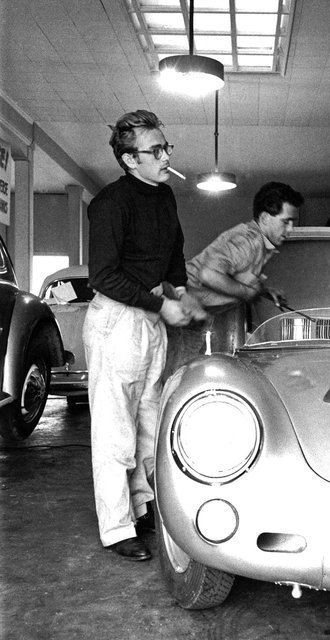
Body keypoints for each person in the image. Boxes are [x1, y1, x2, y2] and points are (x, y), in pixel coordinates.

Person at [82, 109, 205, 562]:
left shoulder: (165, 196)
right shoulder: (111, 203)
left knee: (149, 419)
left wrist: (181, 291)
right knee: (115, 429)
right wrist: (161, 305)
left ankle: (143, 506)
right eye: (156, 150)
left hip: (151, 315)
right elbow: (104, 277)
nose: (165, 155)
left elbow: (174, 250)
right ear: (130, 160)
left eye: (165, 146)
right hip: (117, 319)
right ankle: (116, 528)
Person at [168, 181, 304, 372]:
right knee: (176, 378)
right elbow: (207, 274)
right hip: (180, 312)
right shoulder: (248, 241)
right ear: (265, 218)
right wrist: (247, 293)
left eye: (293, 223)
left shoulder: (261, 244)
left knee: (182, 374)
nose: (290, 230)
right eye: (285, 222)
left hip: (192, 319)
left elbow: (237, 277)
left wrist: (265, 291)